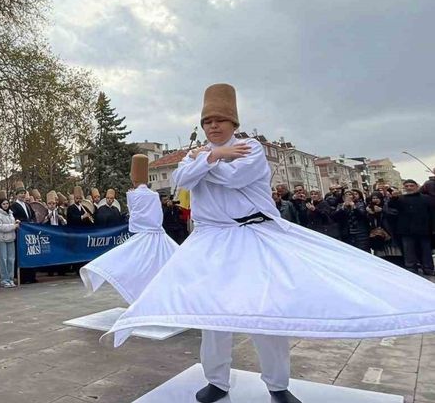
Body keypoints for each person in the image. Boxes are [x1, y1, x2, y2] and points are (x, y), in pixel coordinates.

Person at [106, 84, 435, 403]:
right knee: (209, 313)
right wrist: (214, 156)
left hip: (253, 236)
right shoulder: (202, 153)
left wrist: (203, 163)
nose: (213, 126)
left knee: (267, 311)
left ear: (233, 123)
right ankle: (216, 381)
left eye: (219, 120)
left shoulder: (251, 150)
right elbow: (179, 181)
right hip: (210, 240)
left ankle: (277, 385)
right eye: (207, 121)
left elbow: (234, 178)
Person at [80, 155, 178, 304]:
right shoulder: (153, 195)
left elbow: (135, 220)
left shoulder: (133, 195)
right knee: (159, 266)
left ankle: (145, 298)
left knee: (137, 266)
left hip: (143, 236)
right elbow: (156, 216)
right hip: (159, 236)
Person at [393, 179, 435, 275]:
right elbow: (392, 208)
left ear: (416, 186)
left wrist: (433, 227)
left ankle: (428, 268)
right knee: (409, 251)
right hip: (406, 230)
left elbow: (432, 213)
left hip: (424, 229)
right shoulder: (400, 199)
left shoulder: (426, 198)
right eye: (407, 186)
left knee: (426, 251)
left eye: (411, 185)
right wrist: (393, 198)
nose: (409, 188)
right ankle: (411, 268)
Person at [0, 198, 19, 288]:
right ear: (0, 205)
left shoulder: (10, 213)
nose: (6, 205)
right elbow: (0, 227)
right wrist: (13, 226)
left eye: (7, 203)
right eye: (3, 204)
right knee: (3, 260)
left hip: (11, 238)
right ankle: (4, 280)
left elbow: (12, 224)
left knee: (11, 259)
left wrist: (16, 222)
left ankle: (11, 279)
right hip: (1, 239)